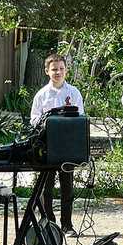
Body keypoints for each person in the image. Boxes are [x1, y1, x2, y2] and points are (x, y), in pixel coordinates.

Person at [28, 52, 85, 233]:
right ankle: (48, 223)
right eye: (54, 70)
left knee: (67, 187)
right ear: (47, 71)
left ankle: (67, 224)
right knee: (47, 187)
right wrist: (49, 123)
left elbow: (80, 117)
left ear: (66, 71)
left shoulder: (73, 93)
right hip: (47, 145)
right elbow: (34, 118)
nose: (58, 73)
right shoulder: (41, 95)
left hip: (66, 145)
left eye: (61, 69)